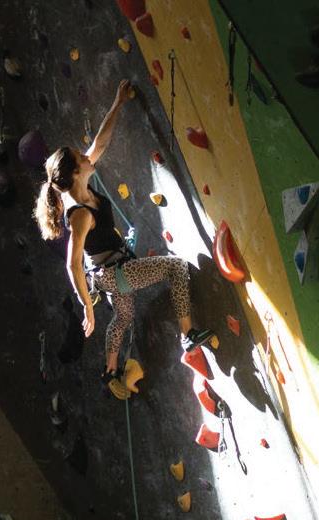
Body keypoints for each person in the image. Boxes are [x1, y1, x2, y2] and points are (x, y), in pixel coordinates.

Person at [34, 79, 212, 397]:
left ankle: (110, 369)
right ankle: (188, 334)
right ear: (75, 173)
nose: (87, 155)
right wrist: (87, 308)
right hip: (114, 274)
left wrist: (118, 103)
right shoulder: (79, 214)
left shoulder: (81, 187)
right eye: (80, 156)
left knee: (124, 315)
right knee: (176, 268)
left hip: (109, 273)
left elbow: (100, 143)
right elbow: (72, 265)